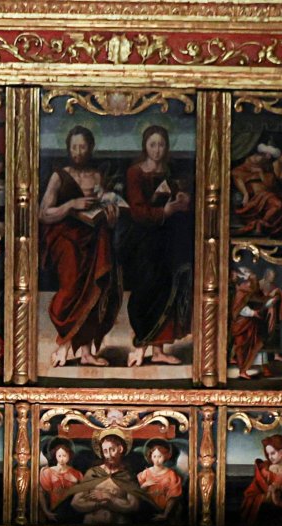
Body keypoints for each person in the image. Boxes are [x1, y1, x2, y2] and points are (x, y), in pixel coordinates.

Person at [39, 125, 121, 368]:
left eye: (82, 147)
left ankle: (85, 353)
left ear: (90, 148)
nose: (78, 151)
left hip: (94, 237)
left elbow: (105, 209)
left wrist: (111, 217)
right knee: (72, 289)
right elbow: (44, 213)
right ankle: (63, 345)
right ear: (68, 148)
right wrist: (71, 205)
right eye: (74, 147)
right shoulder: (59, 176)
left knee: (94, 291)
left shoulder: (97, 176)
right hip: (66, 239)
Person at [122, 124, 192, 368]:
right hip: (143, 241)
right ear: (145, 146)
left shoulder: (170, 172)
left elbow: (180, 203)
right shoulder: (135, 172)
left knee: (165, 293)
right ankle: (140, 346)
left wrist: (182, 200)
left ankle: (158, 350)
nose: (157, 150)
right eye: (152, 144)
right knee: (144, 292)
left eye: (161, 145)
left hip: (167, 240)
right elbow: (137, 210)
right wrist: (165, 211)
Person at [67, 427, 152, 525]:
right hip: (92, 525)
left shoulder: (127, 476)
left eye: (112, 450)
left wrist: (109, 498)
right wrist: (99, 504)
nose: (108, 455)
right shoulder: (93, 473)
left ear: (120, 449)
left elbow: (133, 506)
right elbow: (76, 503)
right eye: (105, 451)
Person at [240, 433, 282, 525]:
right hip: (264, 517)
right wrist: (266, 497)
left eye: (272, 453)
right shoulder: (265, 471)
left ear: (281, 452)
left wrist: (278, 502)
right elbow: (249, 495)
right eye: (268, 454)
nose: (270, 457)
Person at [136, 439, 184, 523]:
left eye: (160, 456)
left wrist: (165, 514)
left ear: (166, 456)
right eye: (154, 456)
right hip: (148, 509)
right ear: (150, 457)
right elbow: (138, 494)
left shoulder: (171, 474)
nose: (157, 459)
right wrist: (145, 485)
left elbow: (173, 496)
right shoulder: (145, 473)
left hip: (166, 510)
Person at [38, 438, 83, 520]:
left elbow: (82, 494)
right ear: (55, 456)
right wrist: (46, 512)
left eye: (64, 455)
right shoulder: (48, 472)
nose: (62, 459)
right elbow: (41, 493)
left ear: (69, 456)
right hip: (55, 510)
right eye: (59, 456)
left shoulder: (77, 473)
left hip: (73, 512)